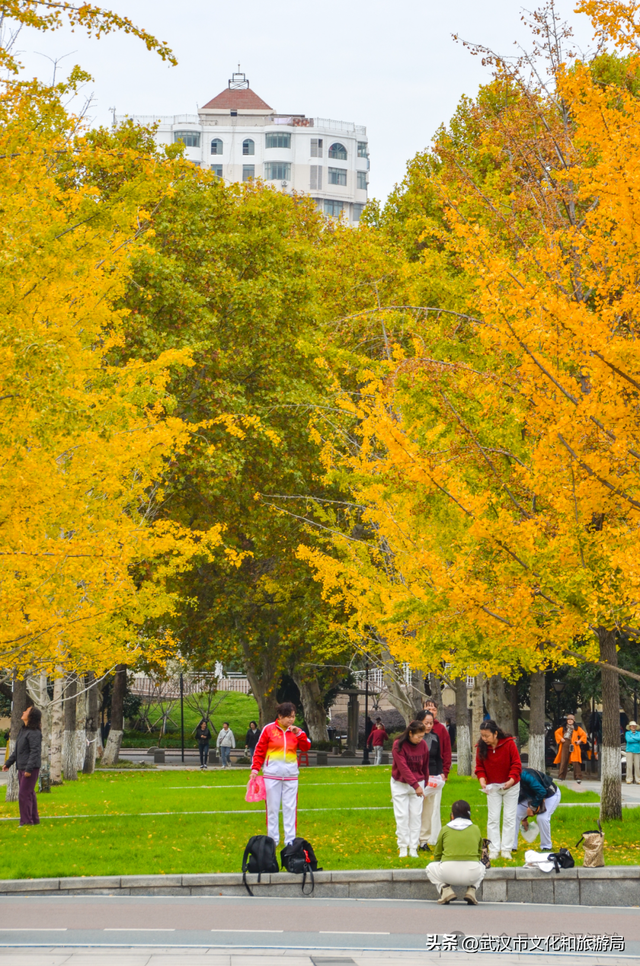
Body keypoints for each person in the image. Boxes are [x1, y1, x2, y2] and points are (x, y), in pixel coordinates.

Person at [250, 701, 311, 847]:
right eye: (288, 717)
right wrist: (255, 769)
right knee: (272, 808)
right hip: (271, 776)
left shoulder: (296, 731)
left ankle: (290, 842)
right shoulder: (268, 730)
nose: (291, 720)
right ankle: (273, 841)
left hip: (291, 776)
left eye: (293, 716)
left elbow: (306, 746)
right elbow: (259, 750)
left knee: (290, 808)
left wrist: (300, 734)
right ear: (279, 716)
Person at [475, 718, 522, 860]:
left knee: (509, 817)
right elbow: (479, 767)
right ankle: (494, 849)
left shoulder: (509, 744)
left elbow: (516, 764)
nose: (484, 739)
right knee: (493, 818)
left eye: (487, 736)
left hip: (511, 786)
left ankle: (506, 849)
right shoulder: (481, 747)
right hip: (492, 787)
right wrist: (482, 780)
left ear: (495, 734)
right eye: (482, 736)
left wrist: (511, 779)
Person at [426, 799, 486, 905]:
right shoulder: (475, 829)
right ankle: (472, 890)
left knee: (430, 868)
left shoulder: (445, 829)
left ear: (452, 815)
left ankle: (446, 890)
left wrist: (439, 863)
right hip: (472, 873)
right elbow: (478, 853)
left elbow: (437, 853)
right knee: (482, 866)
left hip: (447, 872)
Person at [391, 720, 429, 858]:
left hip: (418, 784)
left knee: (416, 816)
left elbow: (425, 766)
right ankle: (403, 847)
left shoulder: (423, 745)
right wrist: (416, 786)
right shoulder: (398, 745)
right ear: (410, 733)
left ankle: (413, 847)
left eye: (422, 736)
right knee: (402, 816)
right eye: (418, 736)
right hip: (400, 784)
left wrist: (424, 783)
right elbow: (403, 768)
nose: (420, 739)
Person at [3, 706, 42, 826]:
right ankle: (34, 820)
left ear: (31, 716)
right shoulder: (23, 731)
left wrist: (29, 769)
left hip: (29, 769)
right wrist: (8, 763)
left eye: (27, 711)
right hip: (22, 767)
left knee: (24, 794)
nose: (23, 711)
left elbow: (35, 752)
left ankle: (26, 821)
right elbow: (17, 751)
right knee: (29, 793)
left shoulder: (34, 733)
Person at [513, 767, 561, 852]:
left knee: (542, 818)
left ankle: (546, 846)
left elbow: (541, 791)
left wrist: (532, 807)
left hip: (550, 795)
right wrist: (524, 818)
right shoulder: (510, 778)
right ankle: (512, 846)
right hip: (531, 795)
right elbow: (520, 795)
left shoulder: (525, 775)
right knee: (514, 815)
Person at [416, 710, 445, 852]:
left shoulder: (435, 737)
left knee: (428, 810)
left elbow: (438, 757)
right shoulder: (414, 738)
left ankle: (423, 840)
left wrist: (441, 773)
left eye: (431, 723)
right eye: (425, 723)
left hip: (432, 777)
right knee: (415, 809)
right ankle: (411, 838)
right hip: (418, 777)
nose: (428, 726)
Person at [422, 699, 452, 784]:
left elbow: (447, 751)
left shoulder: (441, 729)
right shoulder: (414, 726)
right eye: (428, 709)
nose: (431, 712)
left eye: (434, 710)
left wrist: (445, 771)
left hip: (436, 771)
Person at [554, 714, 588, 783]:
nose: (569, 721)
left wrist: (579, 741)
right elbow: (556, 733)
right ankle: (561, 777)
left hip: (574, 745)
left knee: (576, 761)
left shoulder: (577, 728)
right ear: (567, 721)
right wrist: (561, 739)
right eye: (568, 719)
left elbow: (584, 735)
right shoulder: (563, 728)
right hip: (565, 744)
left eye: (571, 720)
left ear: (573, 721)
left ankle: (578, 777)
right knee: (564, 760)